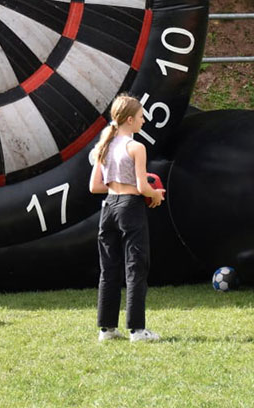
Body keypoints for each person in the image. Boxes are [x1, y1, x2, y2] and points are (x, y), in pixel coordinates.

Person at [89, 94, 165, 342]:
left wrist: (119, 186)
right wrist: (155, 194)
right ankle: (138, 330)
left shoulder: (104, 145)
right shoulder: (136, 147)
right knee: (136, 267)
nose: (144, 121)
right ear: (130, 120)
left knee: (109, 270)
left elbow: (94, 186)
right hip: (130, 208)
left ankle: (106, 330)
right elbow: (143, 187)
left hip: (108, 208)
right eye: (141, 117)